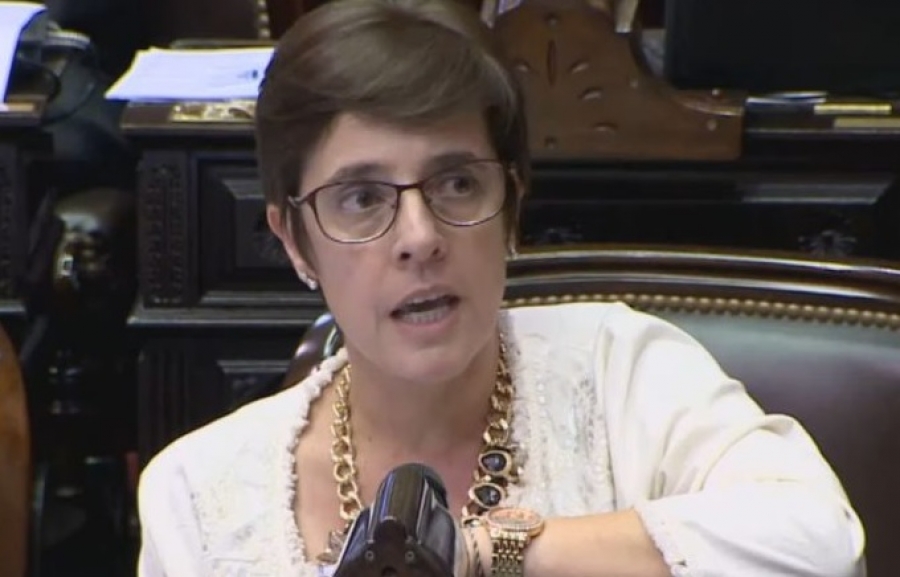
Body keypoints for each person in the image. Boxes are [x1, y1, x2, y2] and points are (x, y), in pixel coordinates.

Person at [135, 1, 866, 576]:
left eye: (457, 183)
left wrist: (488, 552)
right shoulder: (196, 495)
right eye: (361, 198)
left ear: (511, 206)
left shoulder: (621, 368)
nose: (419, 235)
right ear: (295, 240)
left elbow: (823, 542)